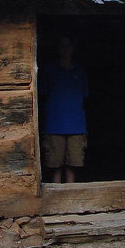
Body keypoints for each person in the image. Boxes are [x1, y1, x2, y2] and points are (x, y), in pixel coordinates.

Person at [39, 33, 88, 183]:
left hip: (76, 125)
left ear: (73, 48)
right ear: (57, 48)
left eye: (68, 45)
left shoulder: (80, 71)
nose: (65, 49)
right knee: (55, 165)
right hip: (54, 125)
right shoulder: (49, 70)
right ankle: (56, 198)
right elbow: (42, 93)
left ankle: (70, 198)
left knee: (73, 165)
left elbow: (85, 94)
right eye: (62, 45)